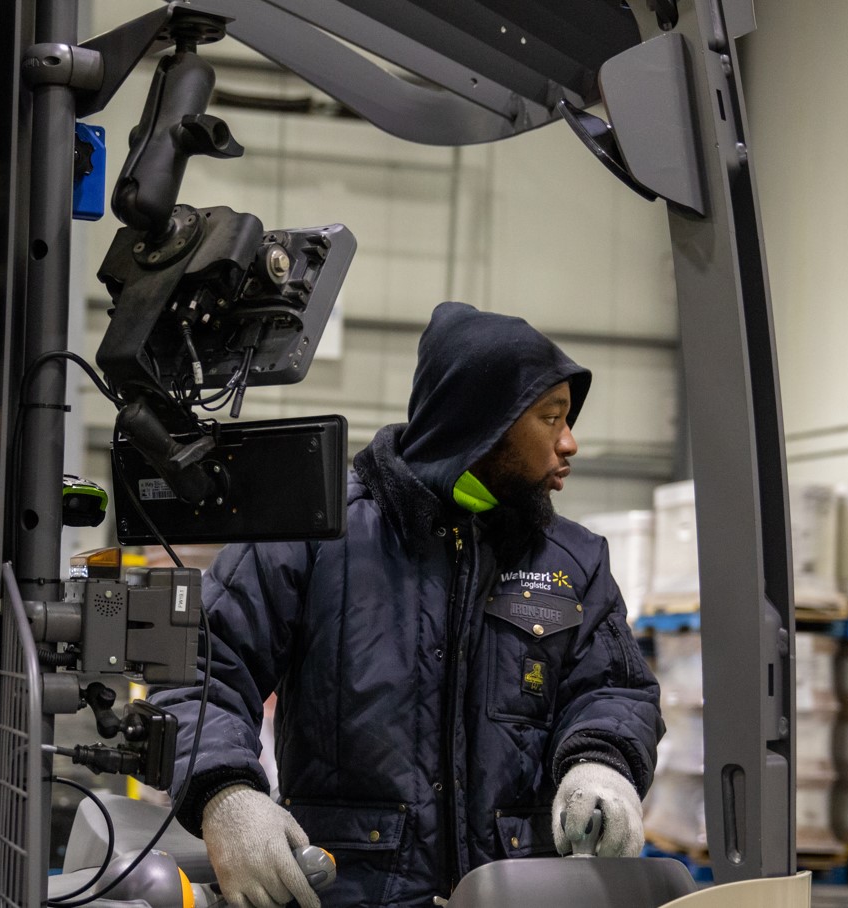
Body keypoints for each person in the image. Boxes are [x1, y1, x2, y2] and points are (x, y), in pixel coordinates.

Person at [152, 302, 665, 908]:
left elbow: (613, 690)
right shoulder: (314, 538)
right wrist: (225, 795)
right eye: (550, 418)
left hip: (515, 893)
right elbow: (199, 674)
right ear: (481, 425)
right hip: (352, 891)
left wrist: (600, 762)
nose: (569, 442)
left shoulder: (573, 560)